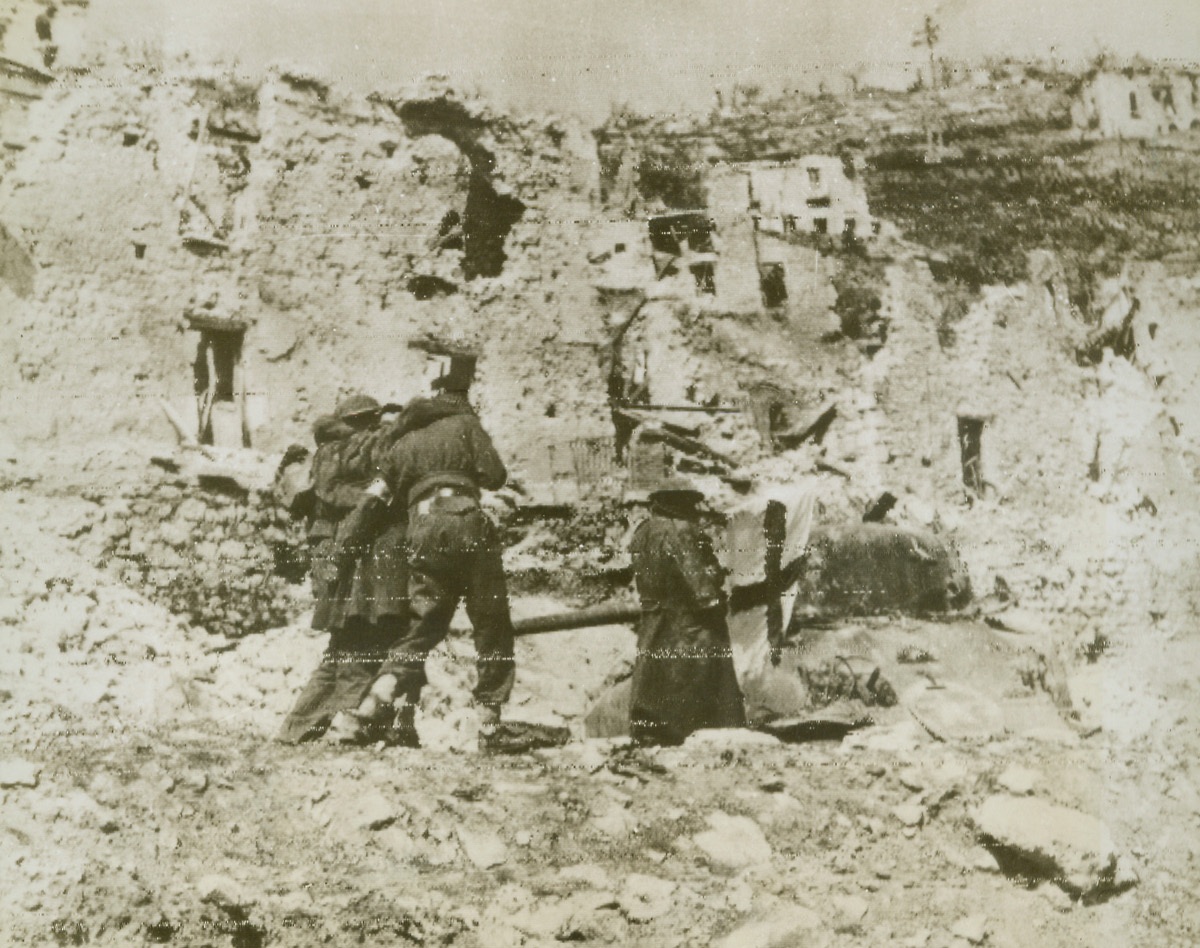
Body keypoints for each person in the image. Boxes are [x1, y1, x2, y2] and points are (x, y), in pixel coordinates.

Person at [339, 354, 516, 749]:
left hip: (421, 529)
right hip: (464, 518)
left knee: (422, 625)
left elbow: (374, 500)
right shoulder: (466, 425)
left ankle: (373, 701)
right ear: (460, 394)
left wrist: (344, 546)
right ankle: (489, 721)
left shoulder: (404, 441)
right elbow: (496, 476)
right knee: (491, 621)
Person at [278, 395, 401, 743]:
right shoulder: (344, 452)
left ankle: (296, 730)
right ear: (363, 421)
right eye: (374, 420)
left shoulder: (333, 451)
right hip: (345, 560)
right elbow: (342, 499)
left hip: (340, 558)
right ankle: (345, 729)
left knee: (343, 647)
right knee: (357, 644)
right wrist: (378, 497)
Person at [627, 476, 746, 745]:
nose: (693, 509)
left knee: (652, 680)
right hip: (687, 625)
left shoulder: (642, 531)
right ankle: (699, 734)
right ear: (679, 502)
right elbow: (700, 588)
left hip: (653, 621)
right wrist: (716, 581)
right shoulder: (680, 531)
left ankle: (652, 733)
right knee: (699, 682)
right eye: (689, 503)